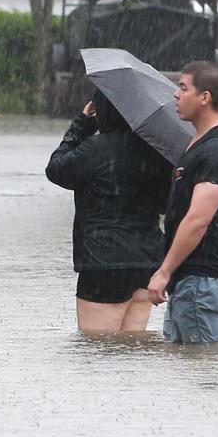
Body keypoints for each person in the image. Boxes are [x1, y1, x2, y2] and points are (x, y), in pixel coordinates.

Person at [46, 90, 172, 332]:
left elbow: (56, 169)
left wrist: (81, 124)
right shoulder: (156, 152)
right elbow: (166, 203)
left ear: (100, 110)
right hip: (146, 260)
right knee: (131, 349)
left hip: (103, 261)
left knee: (97, 352)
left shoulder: (94, 148)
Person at [147, 61, 218, 343]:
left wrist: (164, 270)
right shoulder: (195, 144)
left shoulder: (217, 150)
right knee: (182, 370)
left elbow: (198, 219)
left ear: (205, 97)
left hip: (201, 279)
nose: (175, 95)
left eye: (183, 88)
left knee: (203, 370)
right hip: (186, 280)